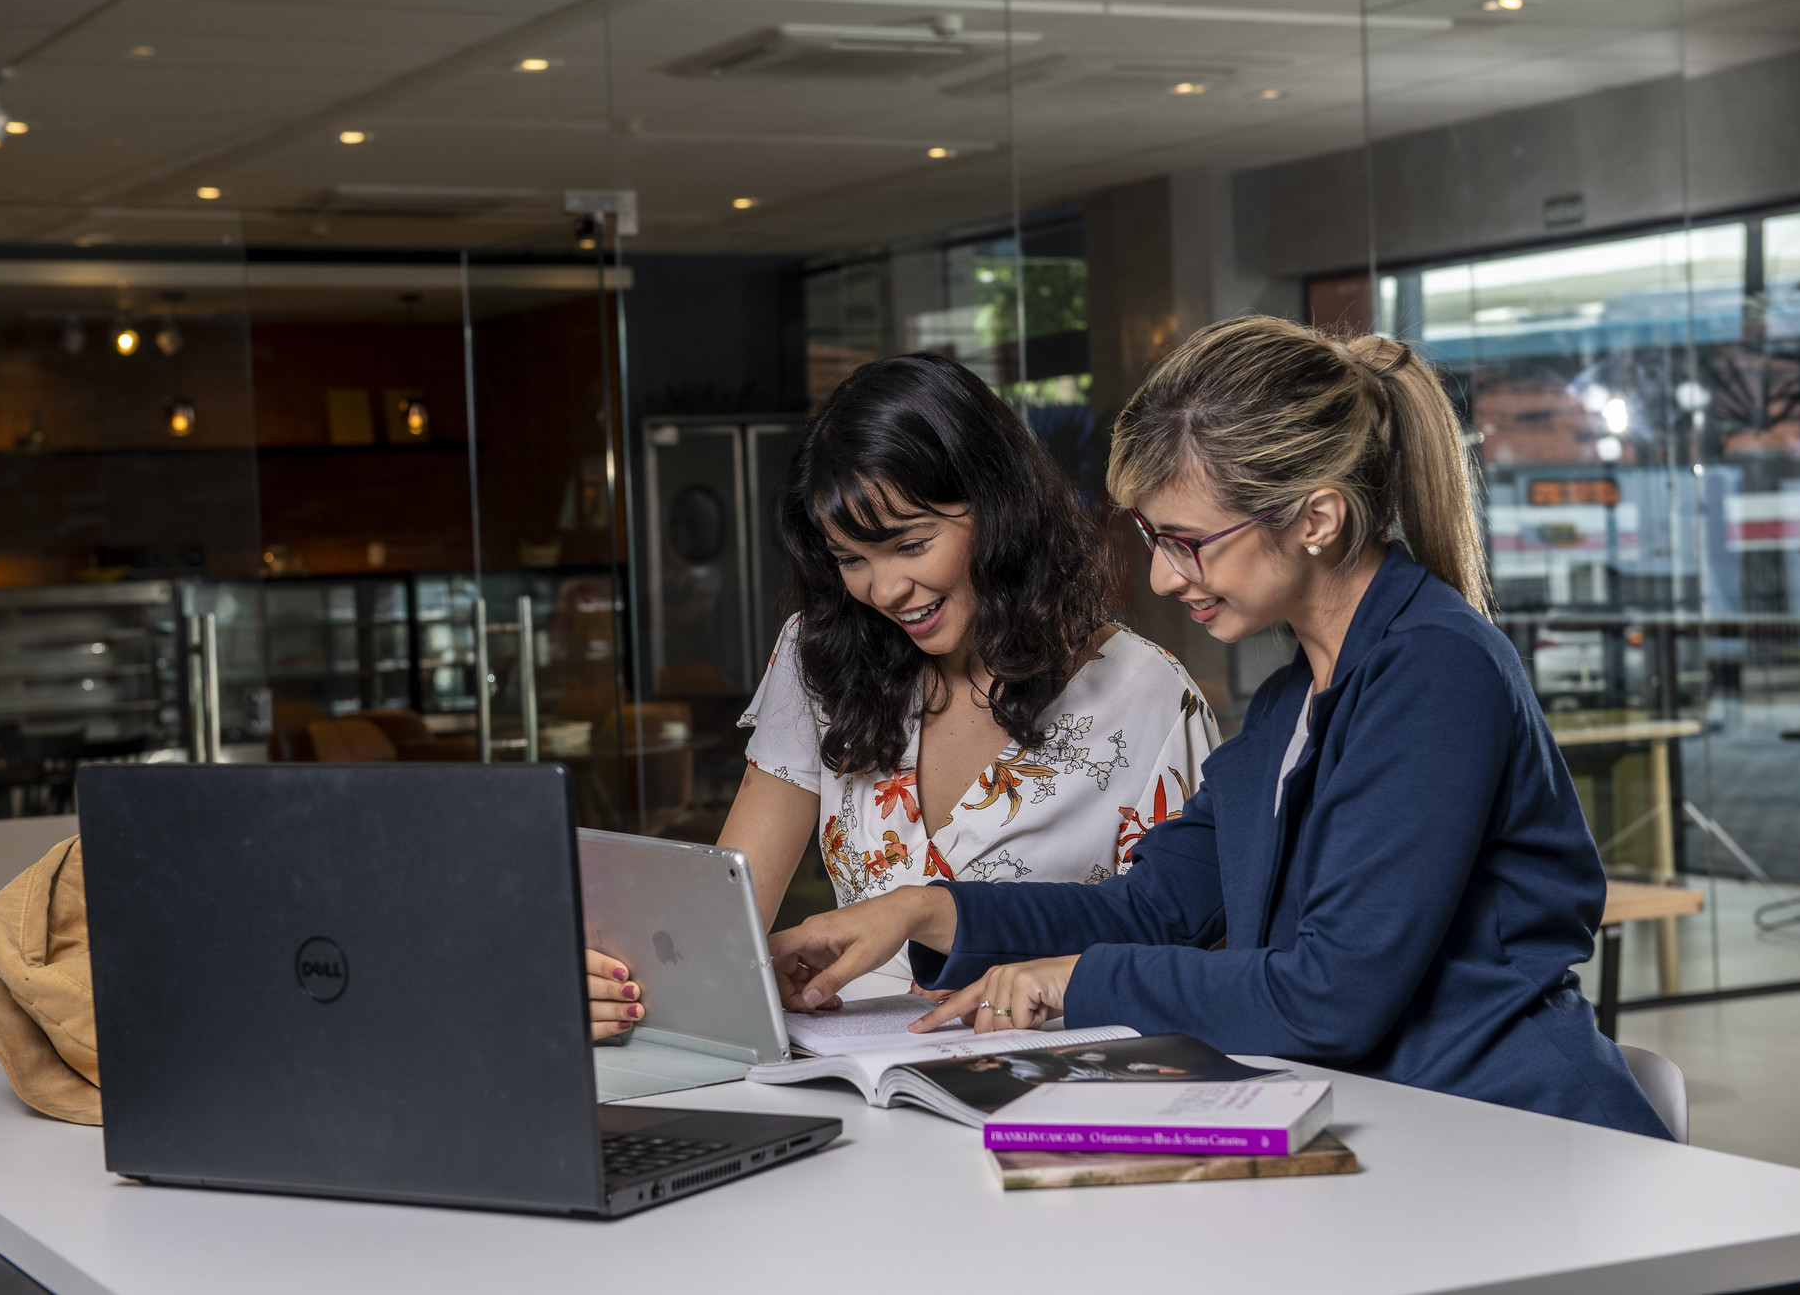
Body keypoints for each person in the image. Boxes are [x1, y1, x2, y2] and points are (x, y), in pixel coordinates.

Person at [765, 317, 1672, 1138]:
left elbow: (1329, 996)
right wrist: (927, 907)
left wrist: (1069, 980)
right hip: (1405, 1127)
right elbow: (1153, 908)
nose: (1162, 577)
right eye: (1152, 538)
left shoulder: (1436, 669)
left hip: (1518, 1140)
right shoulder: (1290, 703)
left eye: (1186, 542)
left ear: (1316, 517)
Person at [585, 352, 1219, 1039]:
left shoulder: (1148, 697)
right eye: (851, 559)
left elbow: (1186, 952)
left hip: (1045, 1077)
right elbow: (715, 926)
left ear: (997, 507)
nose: (883, 590)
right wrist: (615, 987)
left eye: (910, 545)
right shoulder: (820, 656)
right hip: (849, 1074)